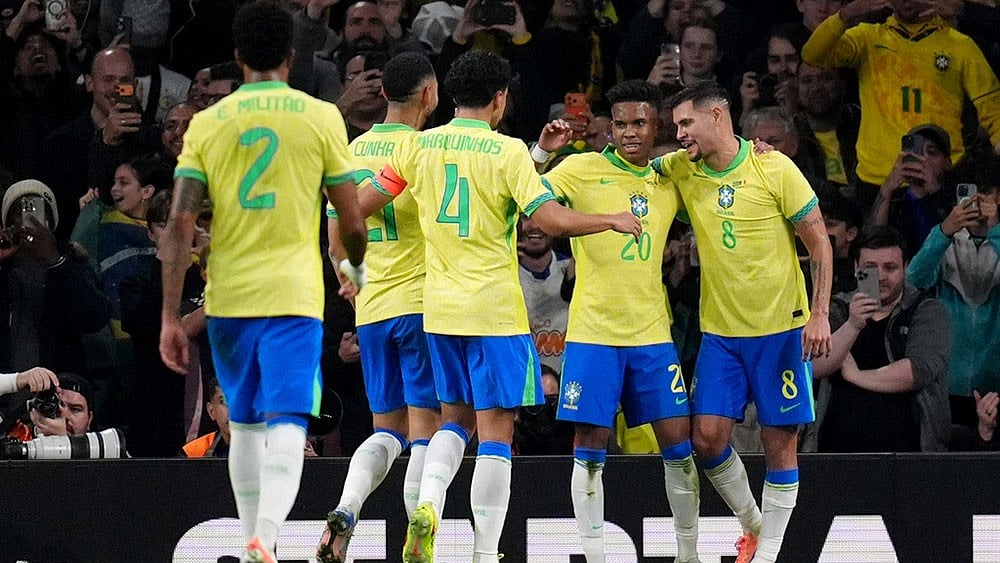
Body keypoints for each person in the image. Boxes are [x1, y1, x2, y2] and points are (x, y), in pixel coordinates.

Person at [359, 49, 641, 563]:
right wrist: (608, 219)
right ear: (499, 99)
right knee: (495, 432)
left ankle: (428, 504)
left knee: (453, 420)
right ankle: (485, 553)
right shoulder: (506, 151)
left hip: (438, 312)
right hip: (492, 312)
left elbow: (359, 206)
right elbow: (549, 221)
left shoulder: (421, 147)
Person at [158, 3, 368, 562]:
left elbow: (179, 226)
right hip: (294, 298)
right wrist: (354, 269)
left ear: (237, 57)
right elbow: (351, 219)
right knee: (289, 424)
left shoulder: (207, 124)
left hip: (228, 300)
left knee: (246, 426)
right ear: (291, 57)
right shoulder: (321, 117)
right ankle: (266, 533)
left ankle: (253, 531)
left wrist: (169, 316)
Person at [654, 81, 833, 563]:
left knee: (781, 447)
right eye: (675, 126)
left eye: (686, 123)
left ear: (717, 116)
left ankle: (768, 554)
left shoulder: (773, 166)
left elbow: (820, 243)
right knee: (706, 441)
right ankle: (756, 525)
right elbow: (633, 171)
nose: (679, 134)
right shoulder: (682, 169)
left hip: (780, 332)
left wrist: (819, 316)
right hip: (722, 336)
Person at [534, 79, 700, 563]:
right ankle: (594, 555)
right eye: (622, 123)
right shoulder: (581, 169)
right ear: (611, 127)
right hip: (592, 335)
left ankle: (689, 554)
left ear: (657, 126)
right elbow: (519, 192)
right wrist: (542, 154)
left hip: (651, 334)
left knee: (678, 444)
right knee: (589, 444)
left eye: (640, 123)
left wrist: (760, 152)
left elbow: (723, 172)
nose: (630, 133)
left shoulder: (670, 175)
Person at [316, 51, 440, 563]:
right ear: (430, 95)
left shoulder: (350, 151)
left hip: (372, 313)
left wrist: (354, 280)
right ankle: (419, 537)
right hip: (423, 306)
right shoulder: (426, 150)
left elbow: (334, 240)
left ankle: (346, 508)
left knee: (386, 431)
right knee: (428, 435)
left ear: (384, 93)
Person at [801, 0, 1000, 203]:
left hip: (940, 179)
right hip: (875, 182)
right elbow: (812, 55)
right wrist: (845, 15)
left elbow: (992, 108)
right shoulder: (867, 38)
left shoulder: (960, 45)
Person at [810, 227, 952, 452]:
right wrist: (853, 325)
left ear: (905, 268)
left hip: (911, 453)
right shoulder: (835, 310)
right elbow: (816, 366)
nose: (881, 277)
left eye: (890, 267)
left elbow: (916, 372)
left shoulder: (927, 310)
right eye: (870, 268)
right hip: (837, 450)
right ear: (857, 268)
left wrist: (856, 376)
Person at [907, 176, 1000, 434]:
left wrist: (995, 230)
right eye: (971, 193)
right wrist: (944, 231)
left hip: (995, 383)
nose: (978, 201)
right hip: (945, 381)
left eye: (986, 193)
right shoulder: (945, 241)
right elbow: (914, 279)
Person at [182, 379, 231, 458]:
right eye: (224, 402)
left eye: (243, 401)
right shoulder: (195, 454)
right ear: (211, 411)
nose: (235, 410)